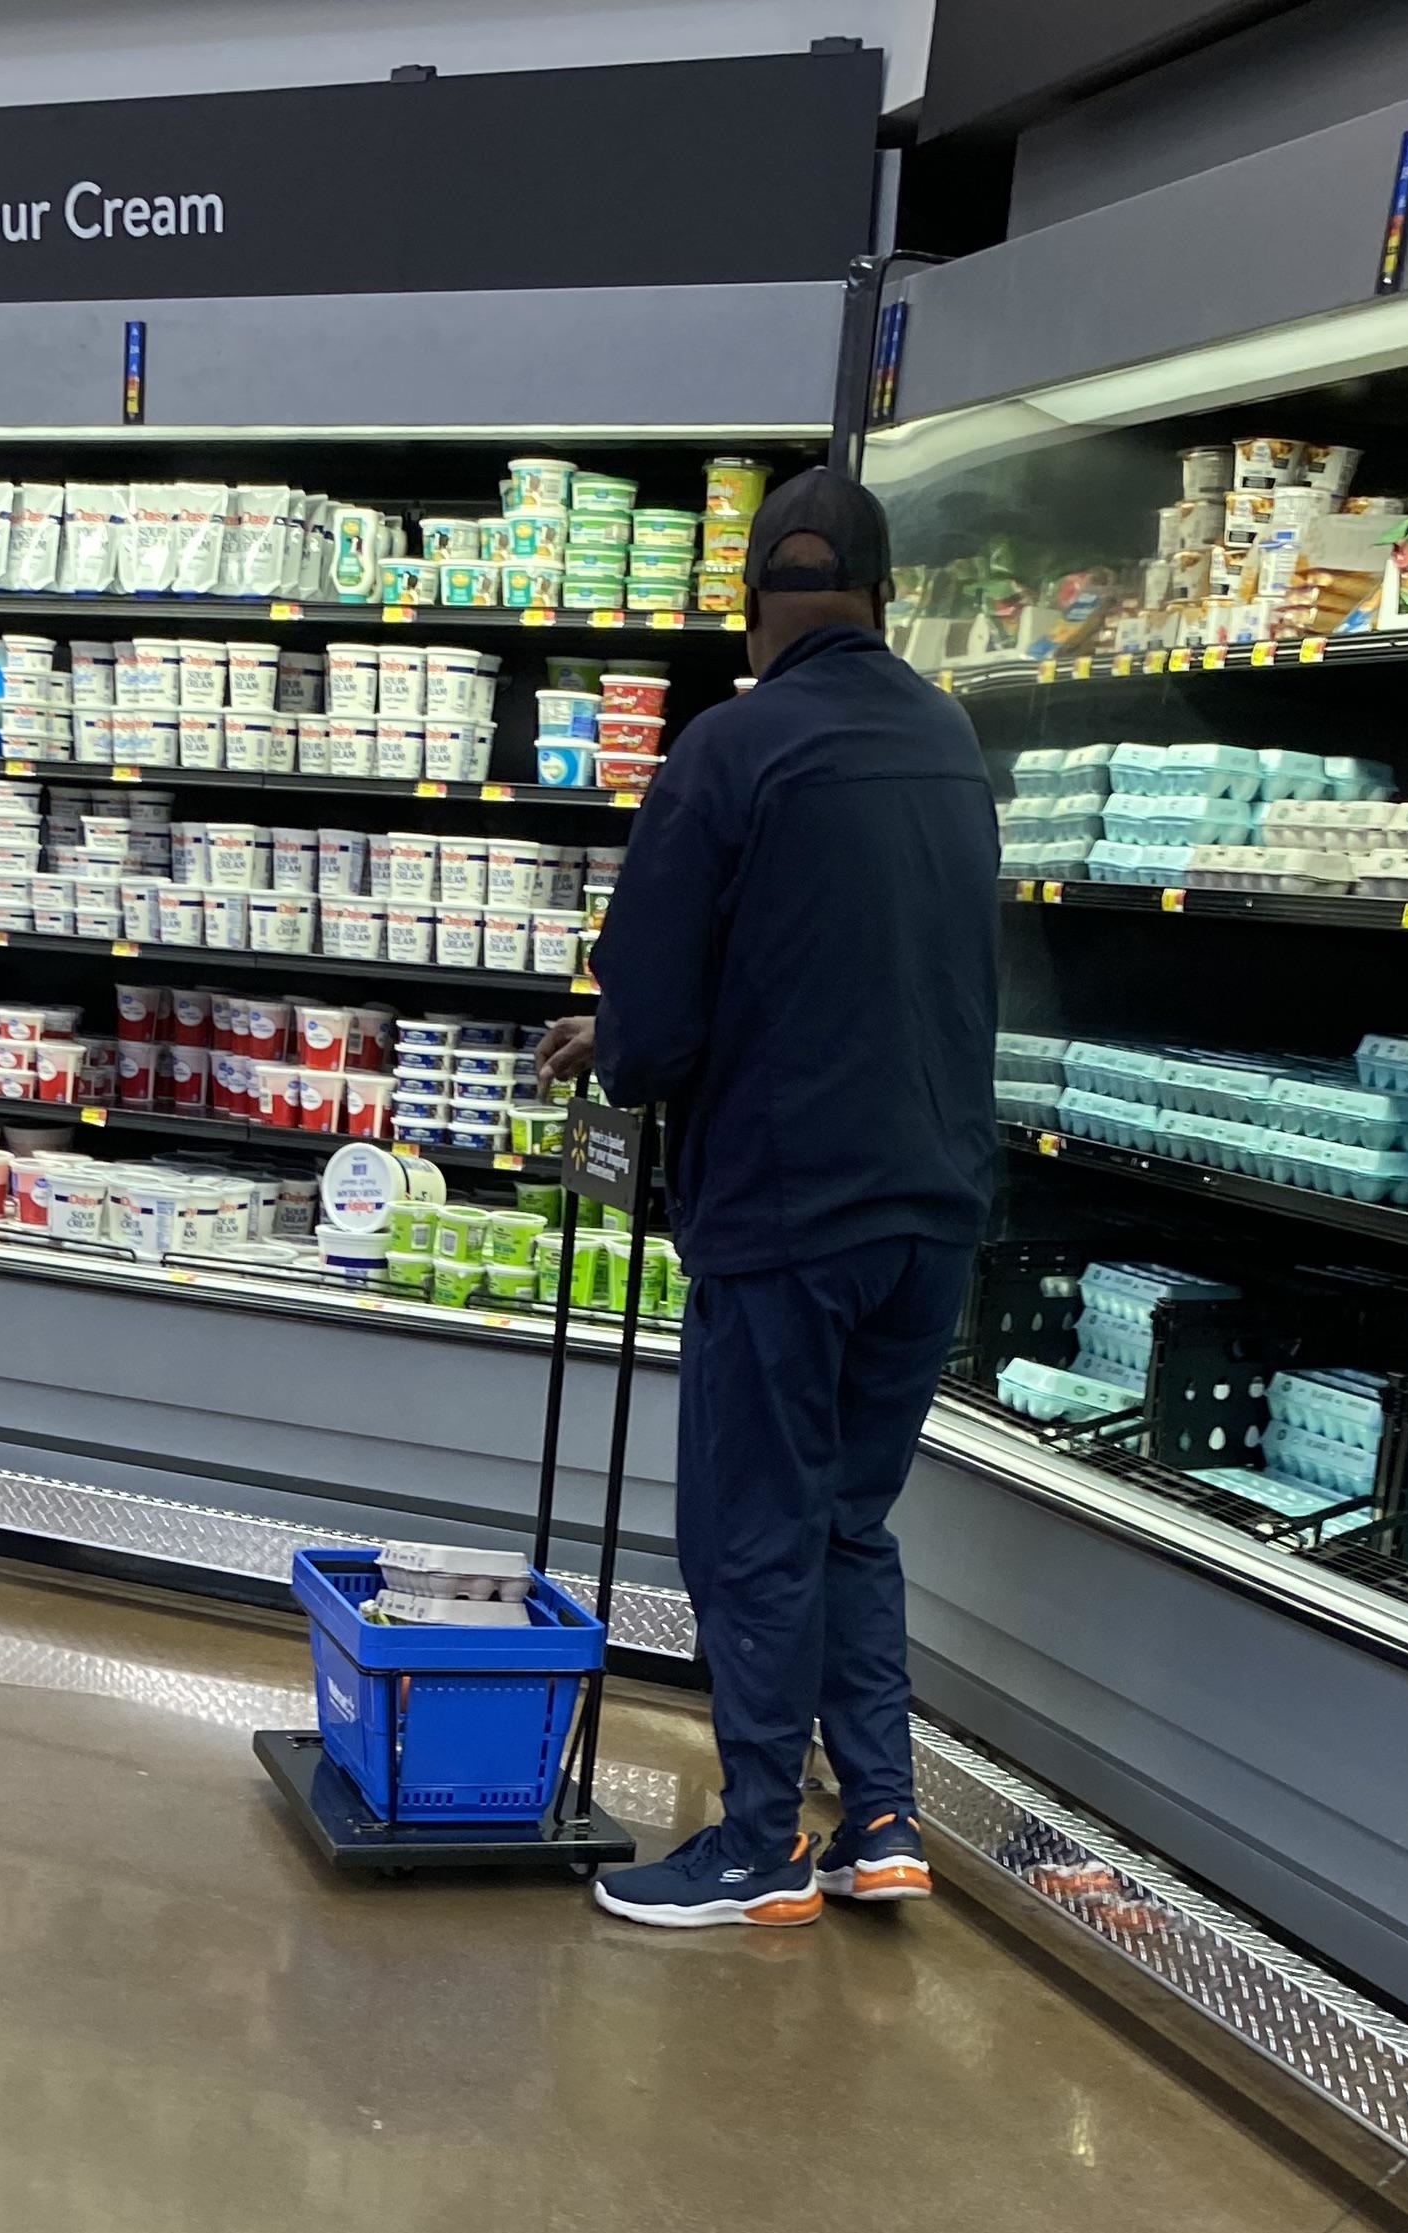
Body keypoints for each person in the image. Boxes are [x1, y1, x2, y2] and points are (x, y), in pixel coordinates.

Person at [533, 464, 998, 1930]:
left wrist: (626, 1042)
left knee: (750, 1528)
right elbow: (844, 962)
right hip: (931, 1207)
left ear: (754, 610)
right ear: (885, 598)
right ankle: (878, 1822)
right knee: (849, 1521)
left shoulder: (729, 750)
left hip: (790, 1220)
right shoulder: (949, 742)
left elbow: (662, 1025)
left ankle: (754, 1843)